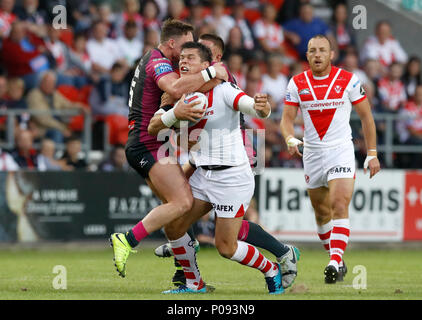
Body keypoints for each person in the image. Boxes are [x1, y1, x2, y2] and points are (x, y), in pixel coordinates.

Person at [154, 33, 300, 290]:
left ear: (207, 66)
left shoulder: (224, 90)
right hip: (203, 173)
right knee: (174, 225)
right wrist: (174, 124)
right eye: (182, 59)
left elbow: (252, 107)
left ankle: (271, 267)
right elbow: (172, 131)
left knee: (226, 246)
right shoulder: (181, 96)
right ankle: (193, 283)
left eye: (191, 58)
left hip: (231, 176)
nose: (183, 63)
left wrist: (262, 107)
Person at [109, 19, 228, 279]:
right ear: (171, 43)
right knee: (182, 201)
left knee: (174, 209)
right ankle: (127, 240)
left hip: (150, 143)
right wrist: (211, 73)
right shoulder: (158, 61)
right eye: (186, 45)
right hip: (147, 144)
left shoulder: (158, 60)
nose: (188, 53)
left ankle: (182, 270)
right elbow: (175, 88)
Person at [280, 35, 381, 284]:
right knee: (321, 212)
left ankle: (334, 261)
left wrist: (372, 154)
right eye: (312, 50)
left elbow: (367, 117)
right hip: (312, 154)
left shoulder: (348, 80)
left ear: (331, 54)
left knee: (339, 204)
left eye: (322, 50)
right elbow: (286, 119)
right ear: (306, 55)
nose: (317, 54)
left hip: (341, 150)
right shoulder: (296, 83)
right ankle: (337, 259)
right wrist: (290, 139)